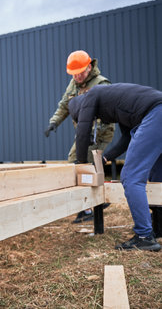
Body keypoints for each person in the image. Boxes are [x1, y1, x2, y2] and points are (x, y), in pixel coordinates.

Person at [68, 83, 162, 252]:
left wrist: (81, 163)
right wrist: (105, 158)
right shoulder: (119, 103)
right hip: (157, 112)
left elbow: (82, 132)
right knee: (158, 175)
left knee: (131, 178)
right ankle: (160, 226)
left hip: (156, 114)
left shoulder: (91, 95)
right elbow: (126, 138)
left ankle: (144, 237)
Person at [44, 50, 114, 223]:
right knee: (83, 164)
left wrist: (93, 133)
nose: (77, 77)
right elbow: (64, 105)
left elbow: (108, 113)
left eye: (80, 72)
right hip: (84, 133)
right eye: (74, 74)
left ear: (89, 67)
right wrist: (54, 122)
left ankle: (88, 208)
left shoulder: (101, 84)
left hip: (100, 132)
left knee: (80, 163)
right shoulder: (74, 84)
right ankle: (94, 204)